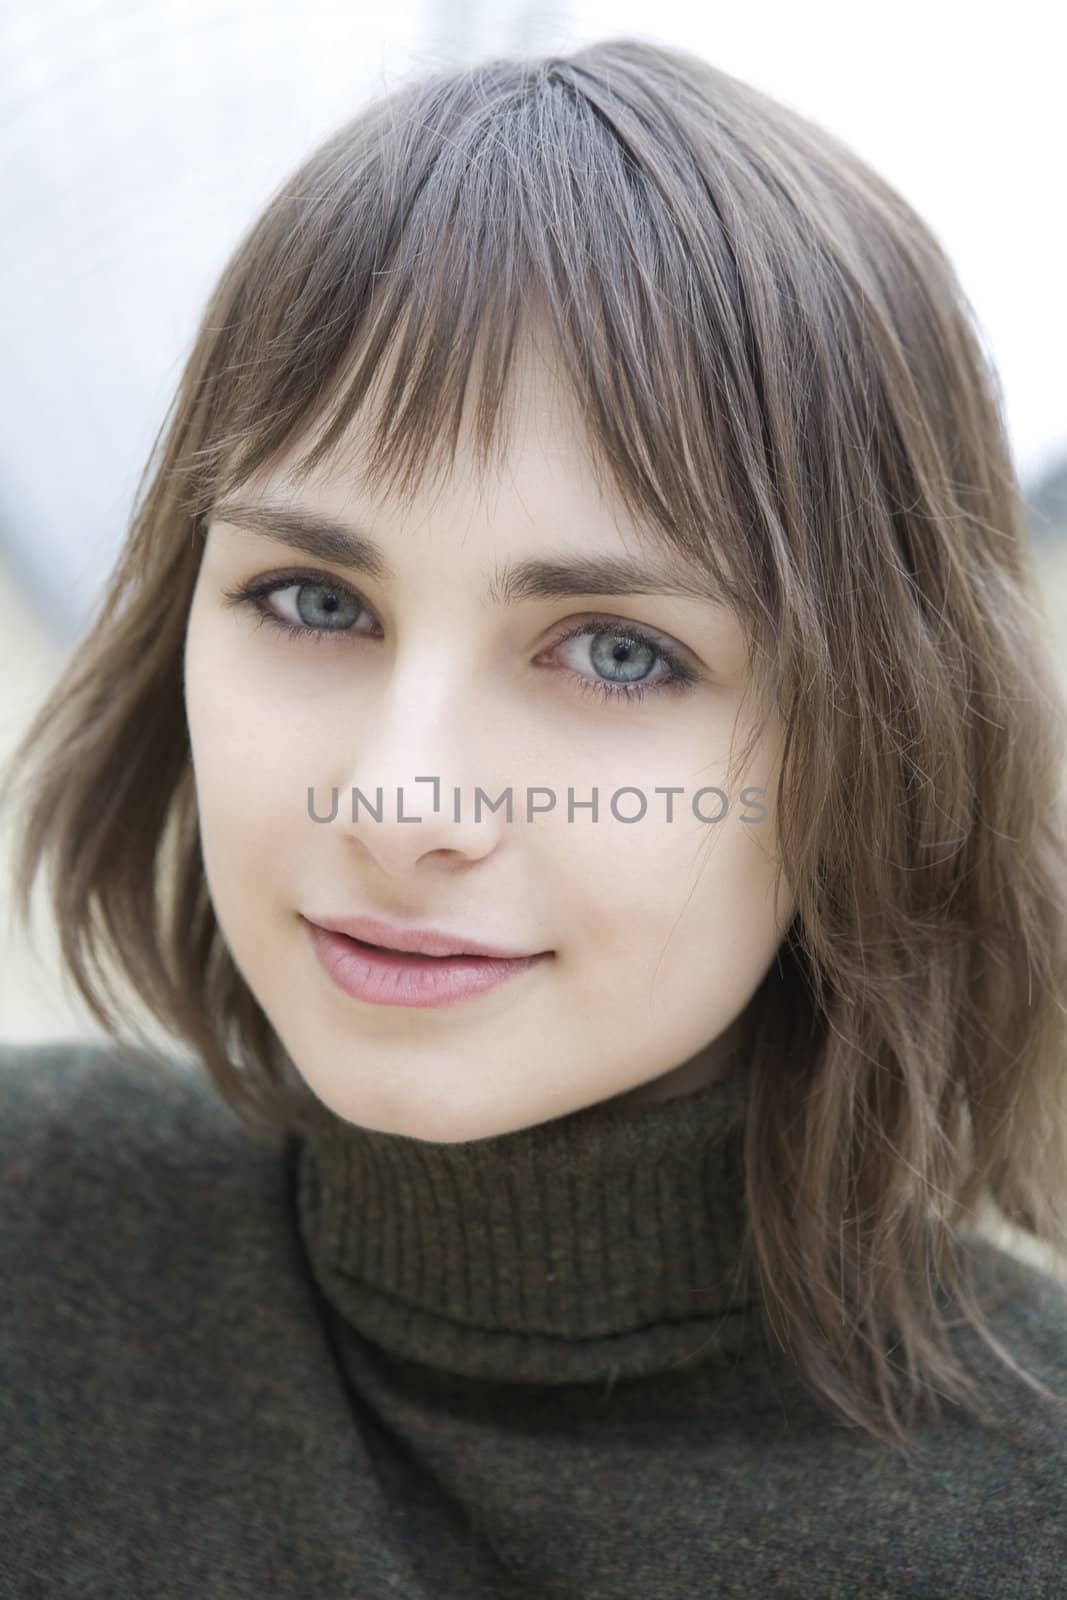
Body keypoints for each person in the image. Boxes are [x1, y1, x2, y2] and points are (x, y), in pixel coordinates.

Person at [2, 35, 1067, 1598]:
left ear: (881, 745)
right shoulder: (36, 1251)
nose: (400, 802)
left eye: (620, 651)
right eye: (312, 598)